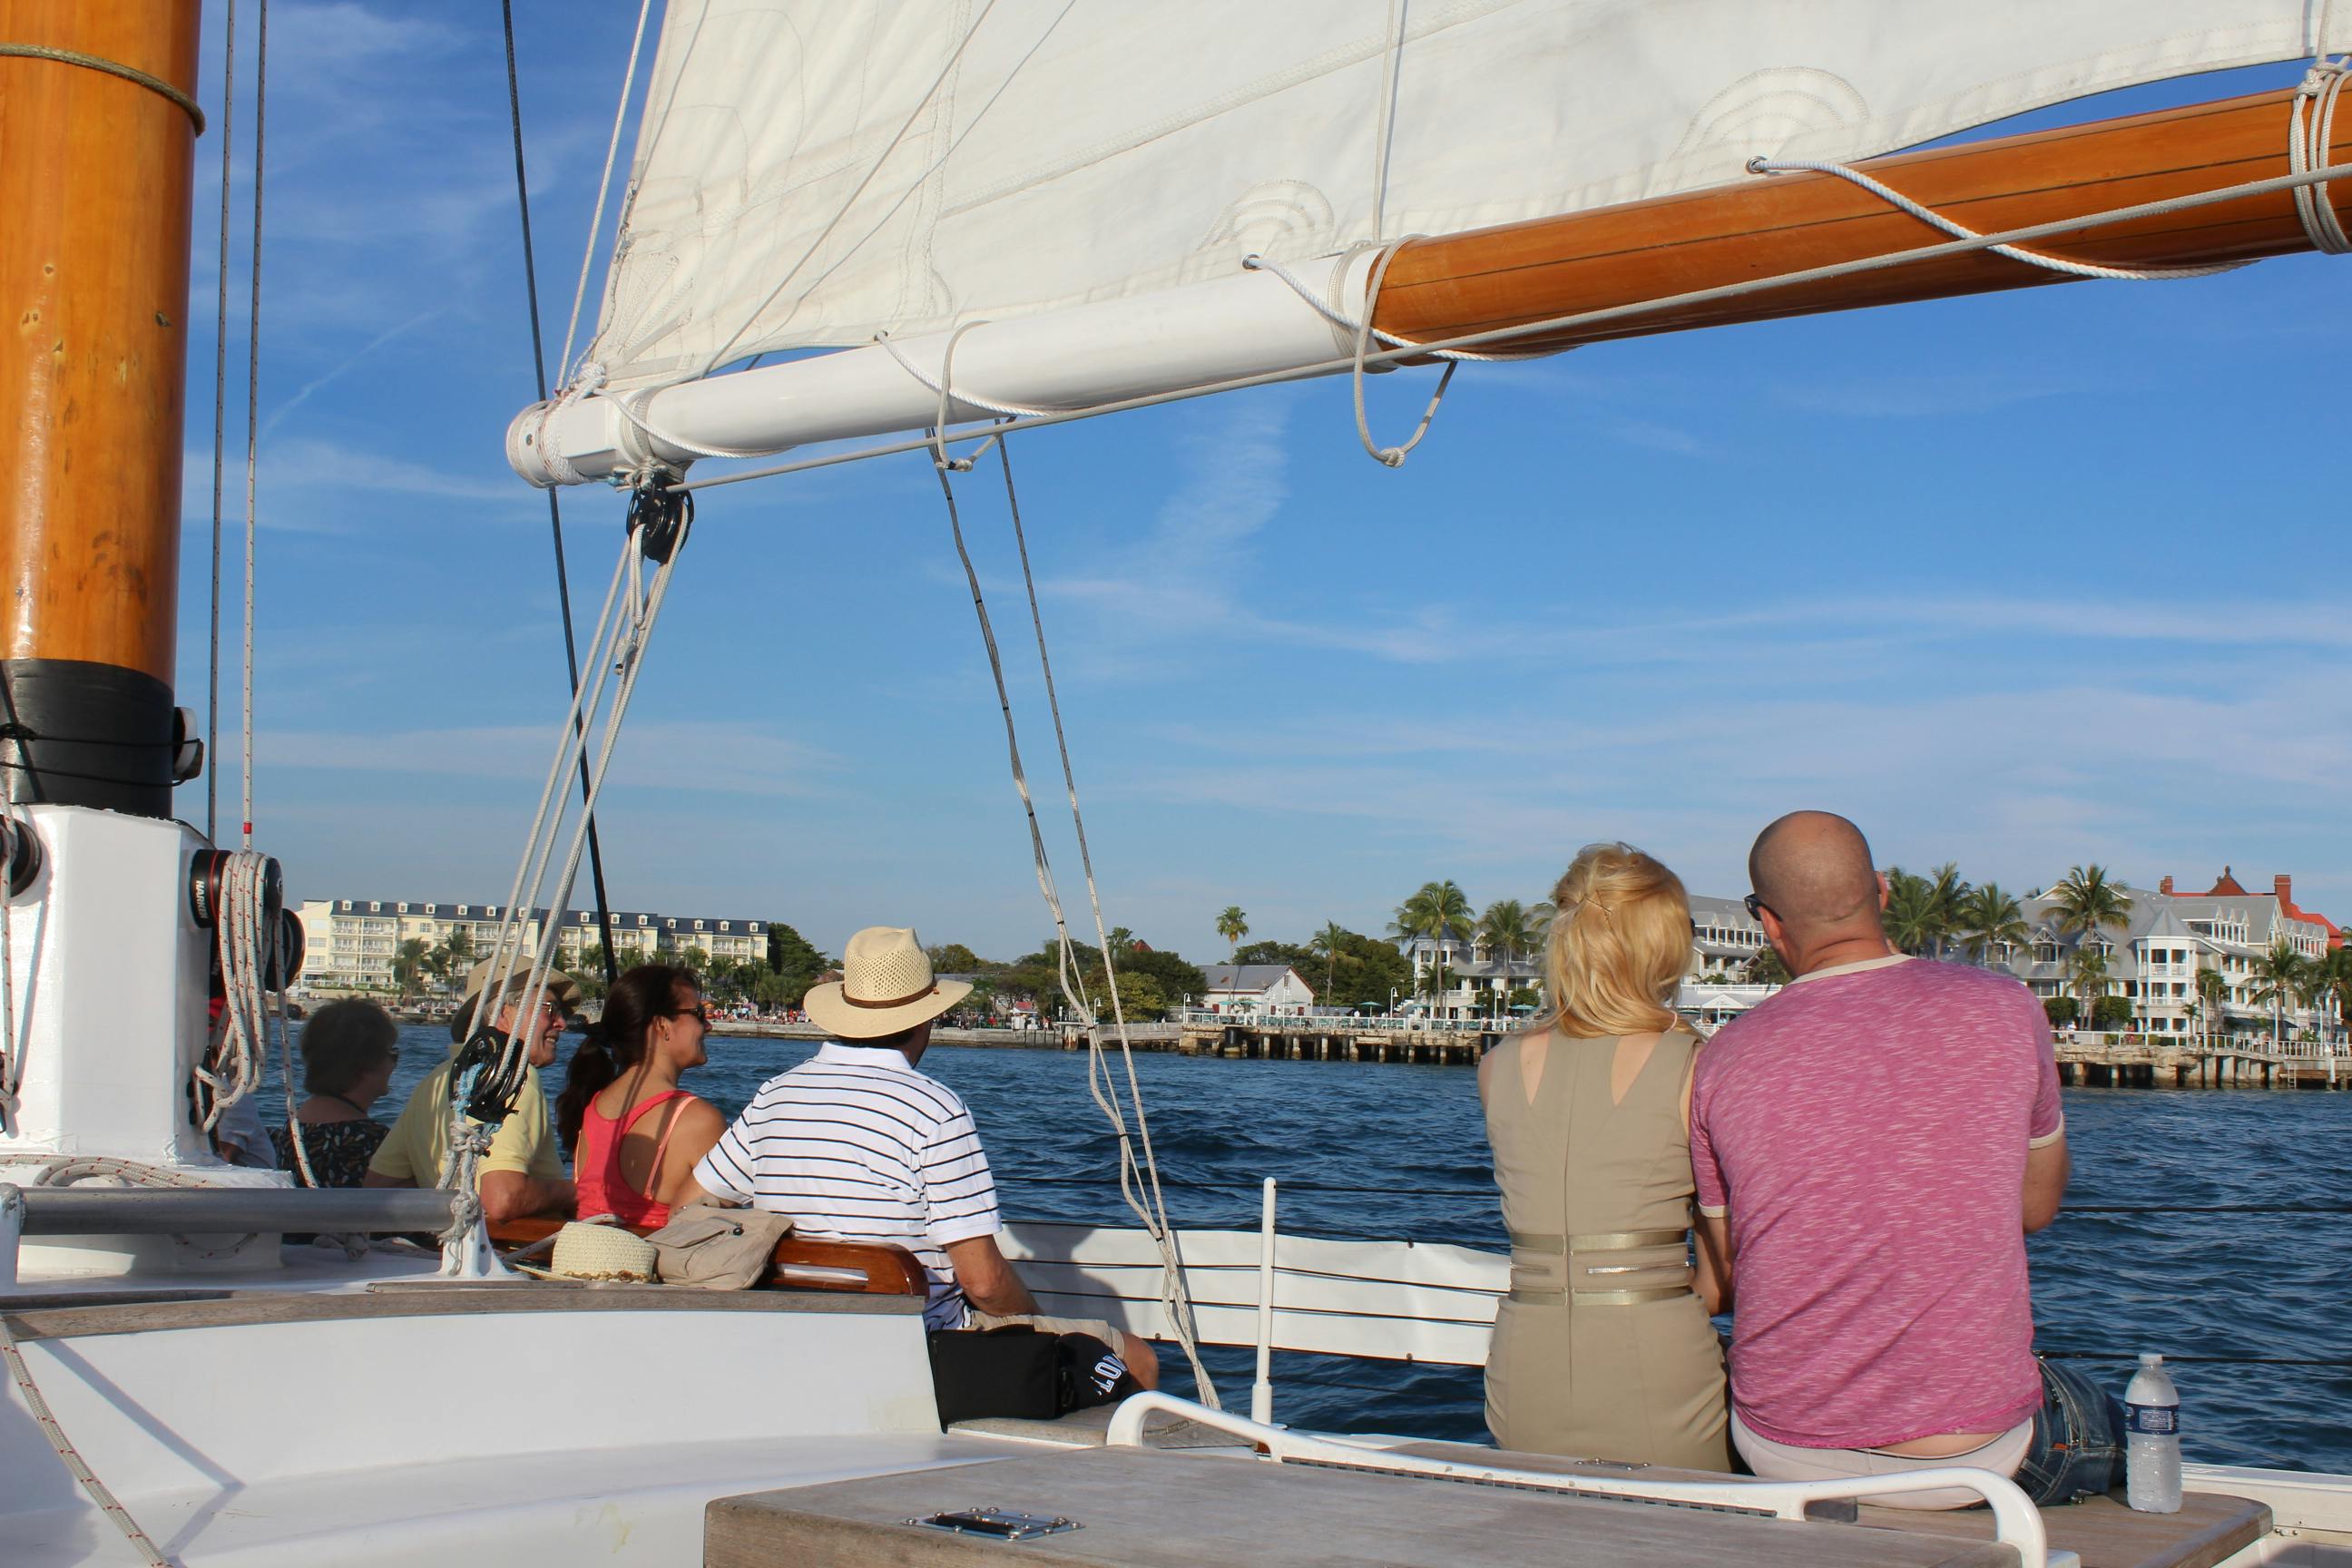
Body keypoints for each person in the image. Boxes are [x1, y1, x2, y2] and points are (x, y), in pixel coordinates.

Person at [1690, 810, 2114, 1508]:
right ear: (1883, 892)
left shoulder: (1722, 1059)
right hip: (1971, 1458)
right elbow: (2035, 1208)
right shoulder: (2005, 1009)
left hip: (1782, 1451)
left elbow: (1731, 1265)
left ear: (1767, 923)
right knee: (2113, 1419)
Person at [693, 926, 1158, 1387]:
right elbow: (984, 1283)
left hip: (795, 1338)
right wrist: (1033, 1327)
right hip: (921, 1350)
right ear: (924, 1019)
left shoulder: (777, 1095)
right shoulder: (934, 1110)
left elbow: (696, 1202)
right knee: (1137, 1360)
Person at [1479, 842, 1730, 1469]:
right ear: (1663, 946)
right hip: (1656, 1355)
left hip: (1524, 1357)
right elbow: (1726, 1271)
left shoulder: (1498, 1065)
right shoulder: (1697, 1065)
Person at [363, 960, 581, 1223]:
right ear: (503, 1012)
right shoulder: (513, 1075)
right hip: (503, 1257)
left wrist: (450, 1198)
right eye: (550, 1009)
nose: (562, 1023)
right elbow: (503, 1198)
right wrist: (577, 1192)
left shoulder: (435, 1080)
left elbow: (380, 1188)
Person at [554, 964, 726, 1228]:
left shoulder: (593, 1104)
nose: (709, 1025)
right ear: (662, 1025)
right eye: (698, 1013)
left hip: (582, 1259)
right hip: (646, 1265)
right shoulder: (696, 1120)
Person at [270, 998, 399, 1187]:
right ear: (366, 1063)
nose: (393, 1065)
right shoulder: (372, 1141)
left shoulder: (291, 1131)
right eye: (393, 1054)